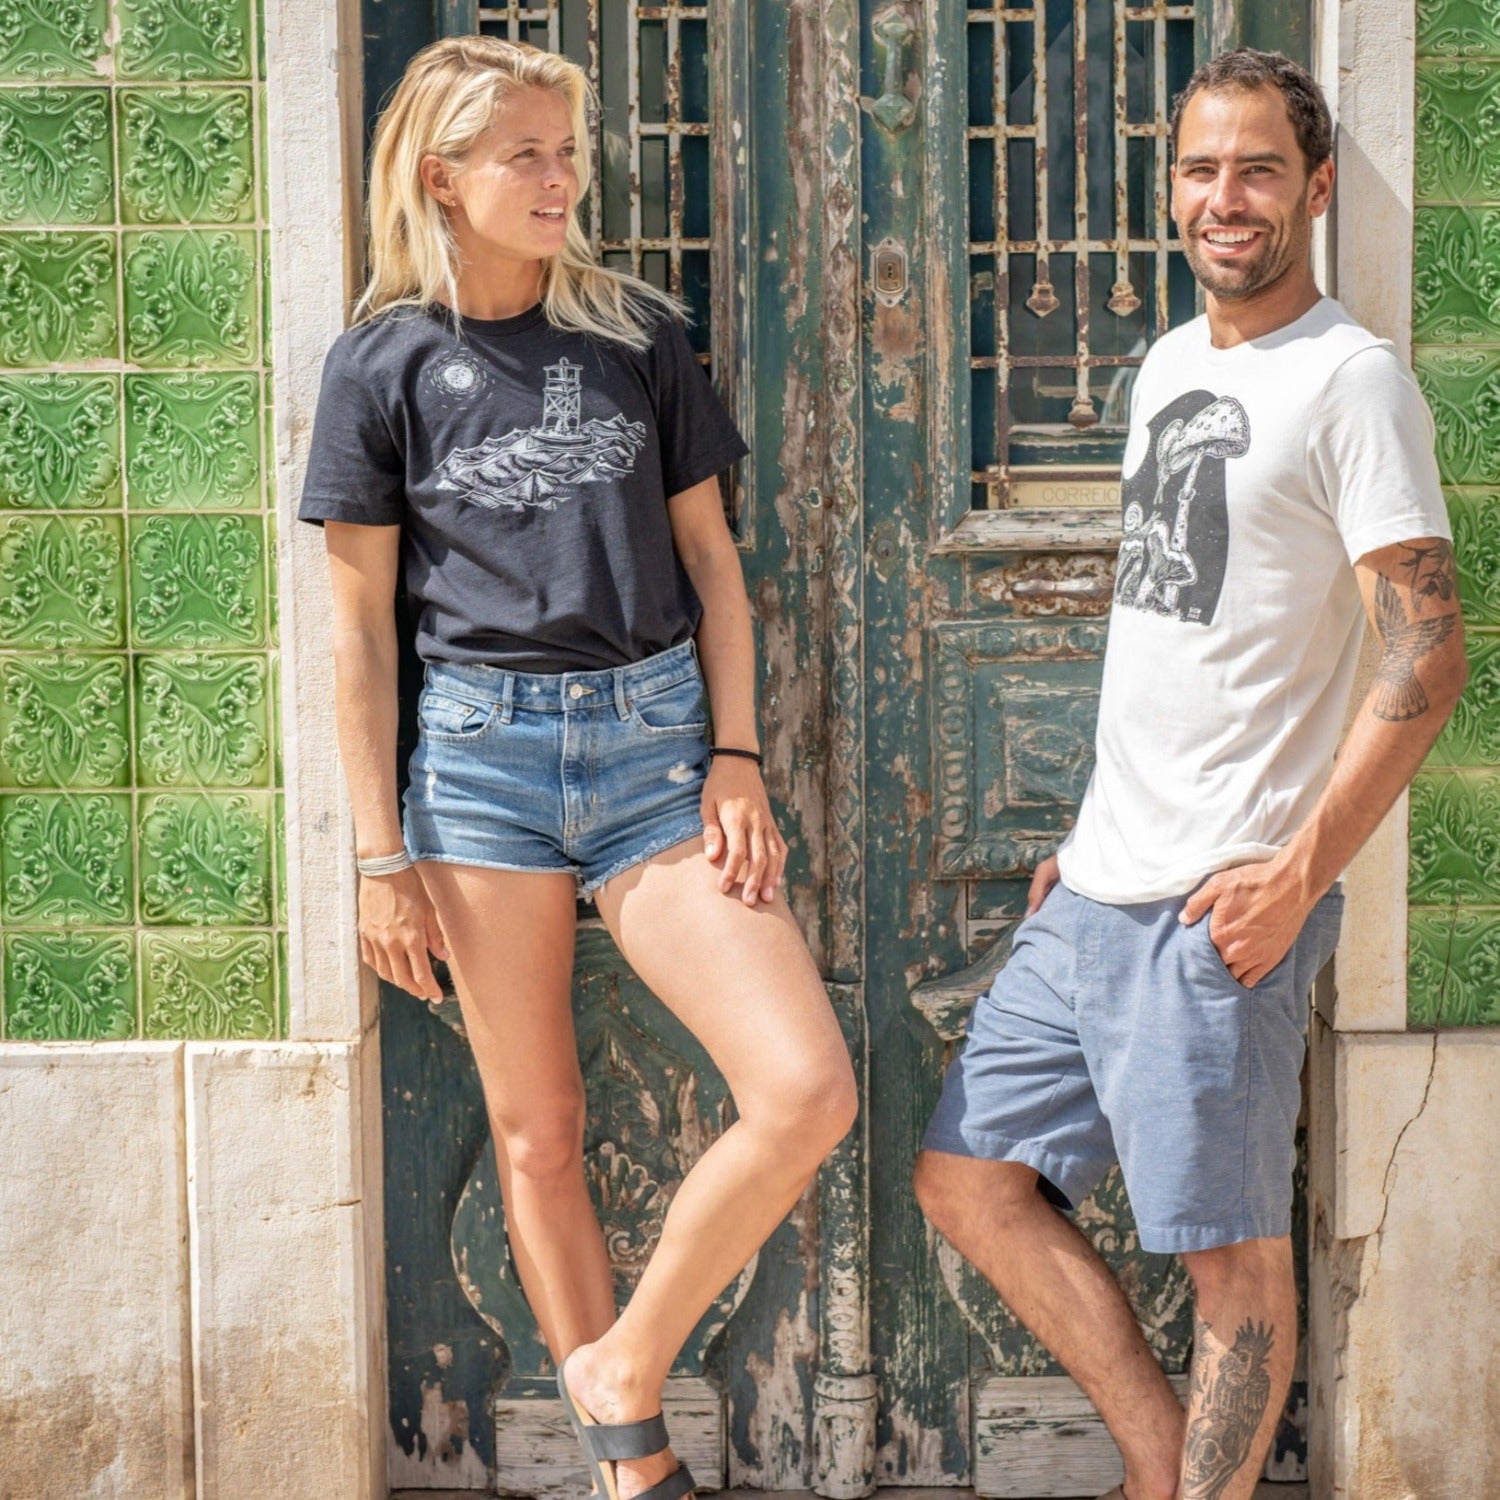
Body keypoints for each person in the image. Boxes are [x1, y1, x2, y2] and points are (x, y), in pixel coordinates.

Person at [297, 36, 856, 1500]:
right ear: (442, 178)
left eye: (567, 153)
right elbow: (359, 633)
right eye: (525, 156)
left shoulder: (632, 336)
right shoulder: (381, 365)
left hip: (659, 758)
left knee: (805, 1090)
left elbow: (714, 564)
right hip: (477, 771)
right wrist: (377, 854)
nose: (560, 180)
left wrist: (737, 756)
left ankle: (622, 1353)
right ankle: (635, 1466)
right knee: (538, 1132)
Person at [914, 48, 1465, 1500]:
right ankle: (1166, 1468)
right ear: (1172, 191)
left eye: (1262, 168)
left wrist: (1301, 873)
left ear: (1319, 187)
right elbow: (1179, 627)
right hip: (1095, 887)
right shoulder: (1170, 361)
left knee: (1234, 1266)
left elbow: (1428, 655)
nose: (1229, 197)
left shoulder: (1351, 383)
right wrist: (1089, 838)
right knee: (967, 1180)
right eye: (1203, 169)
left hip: (1221, 909)